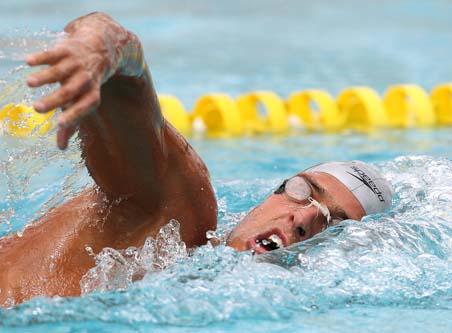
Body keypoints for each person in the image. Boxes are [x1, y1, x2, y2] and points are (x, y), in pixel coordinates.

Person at [0, 12, 393, 307]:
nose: (305, 217)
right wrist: (100, 47)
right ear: (269, 195)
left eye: (336, 223)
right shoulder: (182, 211)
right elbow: (126, 73)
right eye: (303, 191)